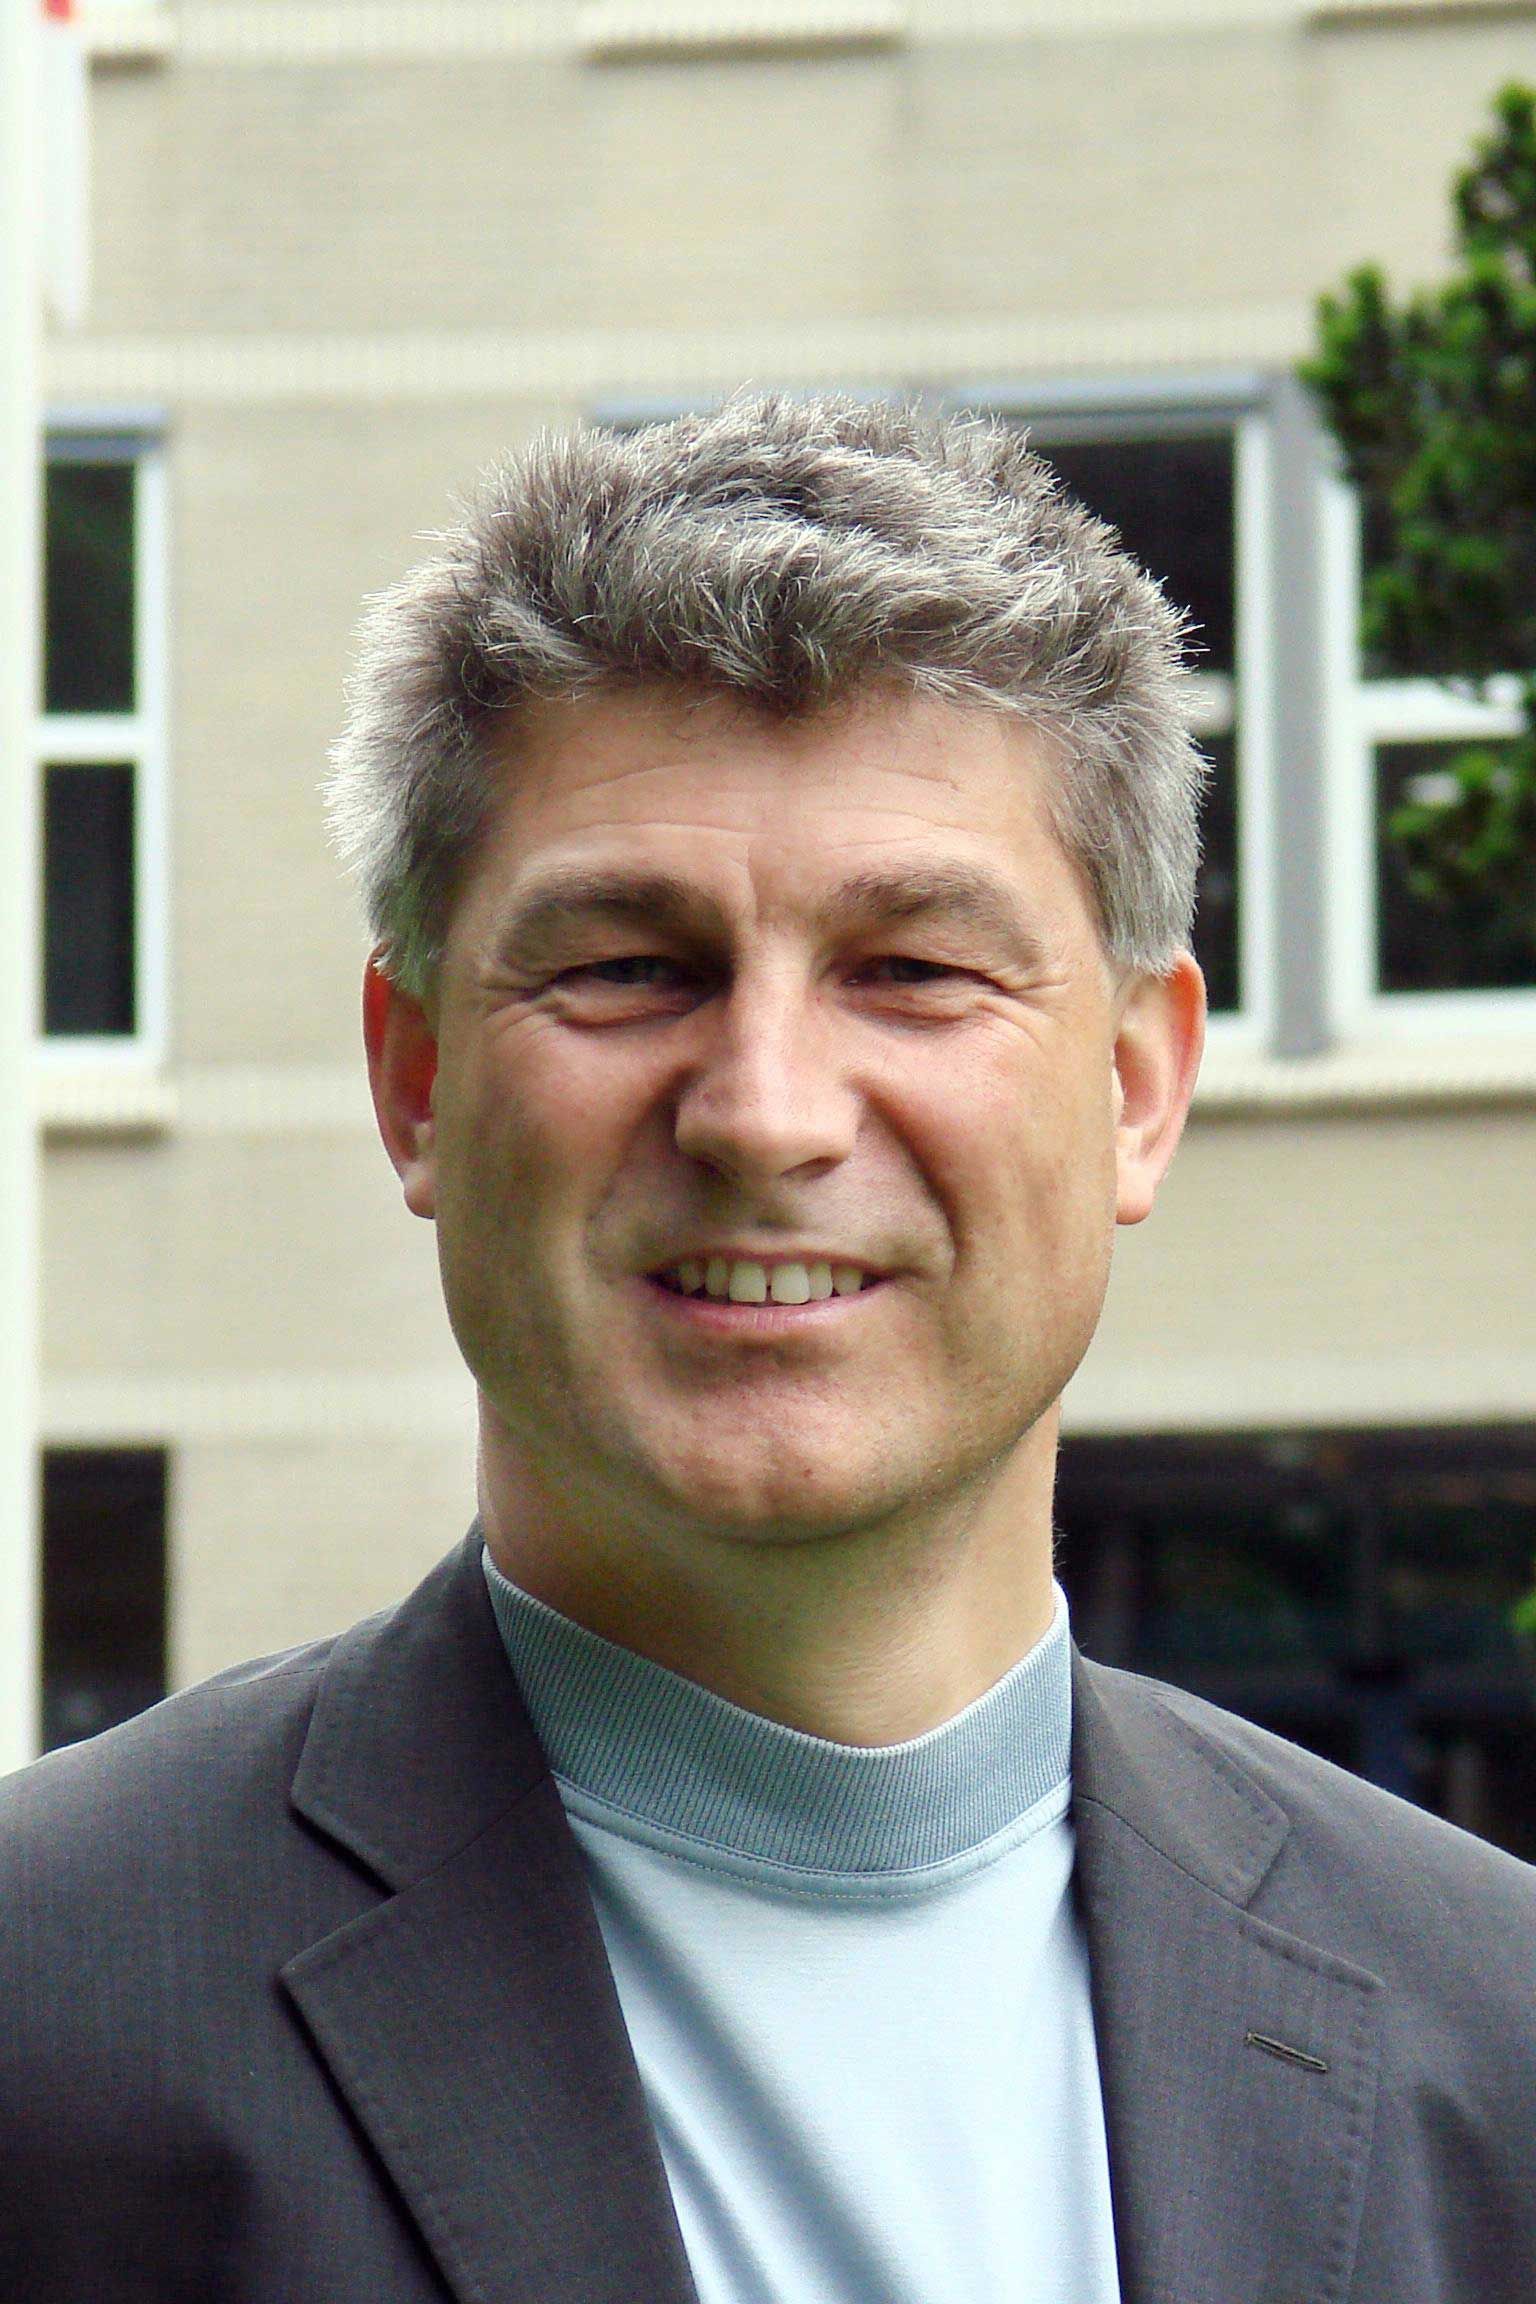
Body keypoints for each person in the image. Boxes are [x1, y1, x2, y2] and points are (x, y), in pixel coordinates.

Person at [1, 397, 1532, 2304]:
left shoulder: (1495, 2045)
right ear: (415, 1081)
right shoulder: (41, 2021)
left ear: (1139, 1089)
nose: (766, 1113)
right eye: (628, 967)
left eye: (915, 971)